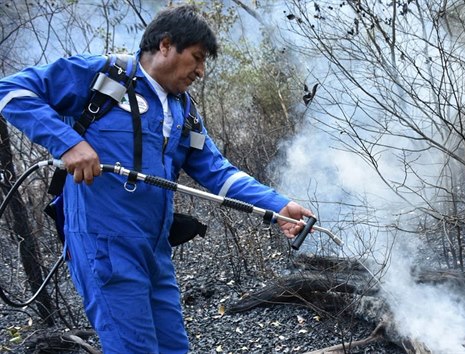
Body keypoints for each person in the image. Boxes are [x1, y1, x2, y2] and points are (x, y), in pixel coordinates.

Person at [0, 4, 312, 353]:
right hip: (105, 244)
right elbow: (11, 91)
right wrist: (69, 143)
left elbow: (217, 171)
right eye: (196, 57)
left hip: (155, 248)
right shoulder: (104, 76)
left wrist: (278, 206)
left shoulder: (183, 110)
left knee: (174, 347)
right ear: (165, 45)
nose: (201, 71)